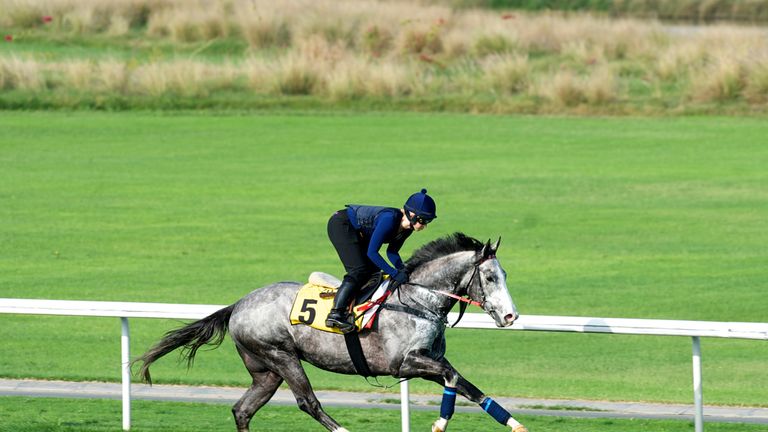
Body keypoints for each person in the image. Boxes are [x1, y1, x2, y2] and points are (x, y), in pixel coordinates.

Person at [325, 189, 437, 333]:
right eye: (424, 220)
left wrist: (403, 269)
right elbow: (372, 253)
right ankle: (336, 313)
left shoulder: (407, 229)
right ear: (413, 215)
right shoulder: (389, 219)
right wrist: (394, 273)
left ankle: (357, 308)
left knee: (374, 273)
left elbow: (392, 251)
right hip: (342, 225)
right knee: (359, 270)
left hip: (358, 232)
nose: (425, 225)